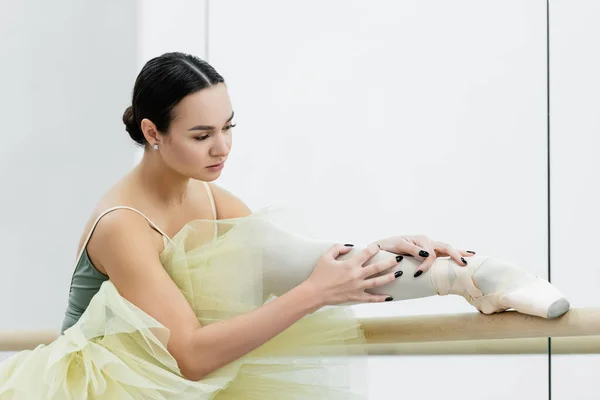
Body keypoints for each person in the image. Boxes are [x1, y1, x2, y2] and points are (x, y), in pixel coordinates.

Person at [0, 52, 569, 399]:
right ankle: (466, 279)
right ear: (153, 133)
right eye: (201, 136)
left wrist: (374, 248)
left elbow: (290, 260)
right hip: (112, 390)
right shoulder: (122, 224)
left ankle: (467, 275)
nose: (221, 147)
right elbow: (192, 355)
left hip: (176, 385)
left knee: (296, 262)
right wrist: (315, 293)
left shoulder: (208, 195)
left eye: (228, 126)